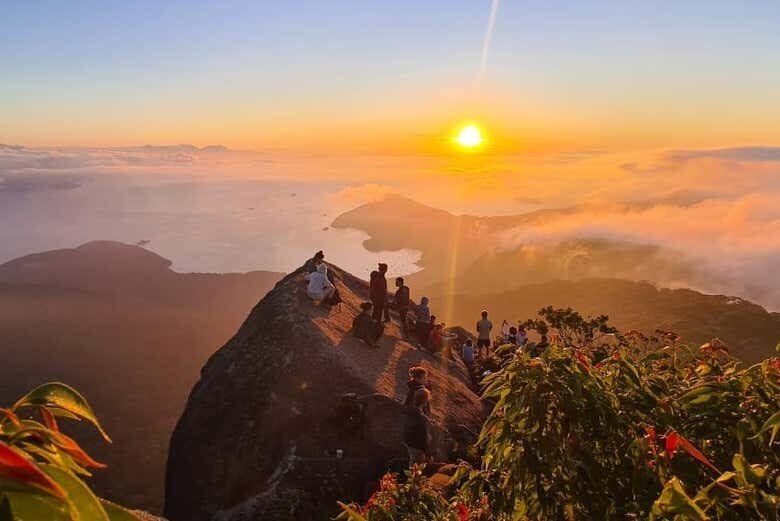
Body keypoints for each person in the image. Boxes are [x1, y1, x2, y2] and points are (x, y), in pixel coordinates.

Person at [403, 388, 431, 467]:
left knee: (412, 463)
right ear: (425, 401)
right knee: (417, 469)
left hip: (409, 443)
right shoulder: (421, 418)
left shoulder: (409, 410)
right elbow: (423, 438)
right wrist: (428, 453)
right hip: (418, 448)